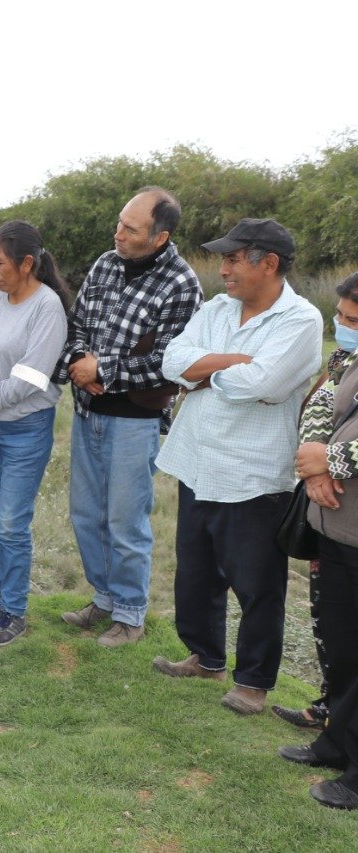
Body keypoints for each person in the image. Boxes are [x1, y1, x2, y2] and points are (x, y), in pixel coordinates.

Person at [152, 218, 322, 715]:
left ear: (267, 263)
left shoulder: (302, 320)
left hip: (252, 473)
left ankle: (253, 681)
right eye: (223, 259)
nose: (222, 268)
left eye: (232, 258)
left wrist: (204, 373)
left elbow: (263, 386)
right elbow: (171, 361)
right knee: (197, 573)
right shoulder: (217, 307)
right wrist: (232, 360)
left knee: (257, 584)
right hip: (197, 461)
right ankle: (205, 657)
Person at [57, 188, 204, 647]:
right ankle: (102, 598)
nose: (118, 234)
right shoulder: (105, 263)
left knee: (125, 520)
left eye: (131, 229)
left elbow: (172, 362)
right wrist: (80, 362)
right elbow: (78, 322)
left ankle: (130, 613)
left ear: (160, 237)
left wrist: (103, 370)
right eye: (120, 223)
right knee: (86, 514)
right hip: (87, 411)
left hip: (134, 421)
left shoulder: (182, 284)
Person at [0, 221, 70, 646]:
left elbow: (31, 377)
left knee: (11, 523)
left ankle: (15, 610)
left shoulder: (47, 307)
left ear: (27, 263)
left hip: (25, 429)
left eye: (0, 262)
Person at [276, 270, 358, 808]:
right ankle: (336, 741)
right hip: (335, 526)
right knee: (343, 643)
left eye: (355, 321)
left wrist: (331, 459)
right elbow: (322, 404)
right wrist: (314, 468)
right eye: (343, 317)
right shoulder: (346, 359)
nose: (344, 328)